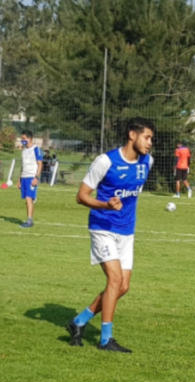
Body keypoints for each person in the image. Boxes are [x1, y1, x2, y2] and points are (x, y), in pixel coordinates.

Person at [65, 118, 155, 353]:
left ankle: (79, 321)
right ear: (132, 135)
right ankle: (106, 339)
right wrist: (104, 205)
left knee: (123, 287)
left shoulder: (147, 162)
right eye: (147, 137)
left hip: (127, 231)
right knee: (114, 280)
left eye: (151, 139)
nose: (150, 143)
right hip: (102, 227)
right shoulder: (106, 161)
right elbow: (81, 196)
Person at [17, 130, 43, 228]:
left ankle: (29, 221)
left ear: (30, 138)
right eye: (21, 139)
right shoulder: (23, 151)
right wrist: (19, 179)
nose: (22, 140)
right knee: (27, 200)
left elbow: (40, 164)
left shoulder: (36, 149)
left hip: (31, 177)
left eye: (24, 138)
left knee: (28, 199)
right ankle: (29, 218)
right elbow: (22, 166)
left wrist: (36, 177)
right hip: (24, 177)